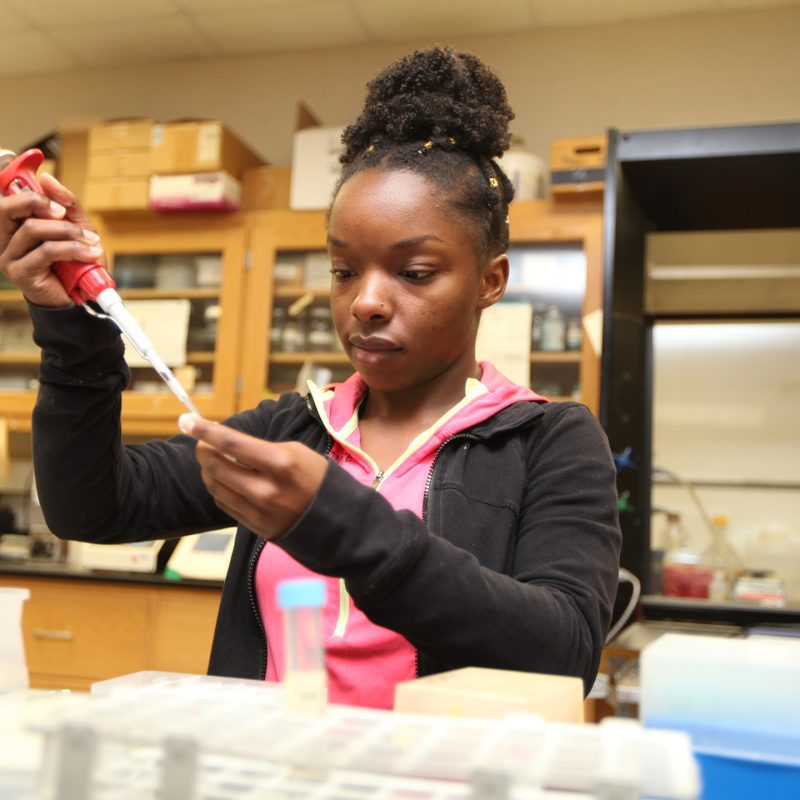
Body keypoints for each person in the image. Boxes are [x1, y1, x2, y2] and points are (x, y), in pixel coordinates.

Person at [0, 47, 621, 709]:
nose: (366, 302)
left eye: (414, 273)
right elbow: (89, 507)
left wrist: (342, 523)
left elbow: (565, 652)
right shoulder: (295, 428)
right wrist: (72, 329)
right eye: (345, 270)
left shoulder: (548, 441)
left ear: (489, 280)